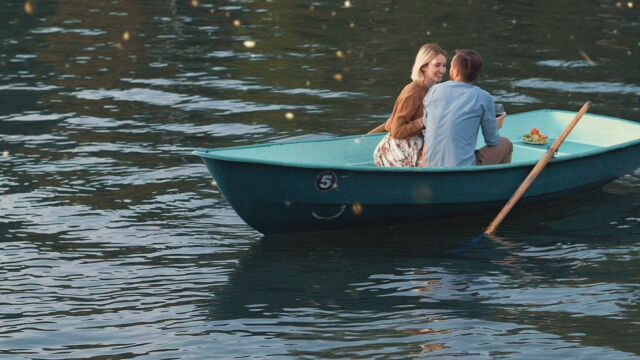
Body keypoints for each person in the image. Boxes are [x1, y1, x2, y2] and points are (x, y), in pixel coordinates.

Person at [421, 49, 512, 168]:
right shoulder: (483, 97)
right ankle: (498, 184)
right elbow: (492, 141)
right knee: (506, 144)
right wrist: (495, 125)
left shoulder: (434, 90)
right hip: (461, 171)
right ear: (477, 75)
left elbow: (427, 126)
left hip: (430, 168)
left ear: (455, 71)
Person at [368, 43, 447, 167]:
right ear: (424, 66)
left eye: (444, 65)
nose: (442, 70)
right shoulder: (412, 93)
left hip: (416, 145)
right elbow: (396, 131)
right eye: (437, 65)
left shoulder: (434, 90)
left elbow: (390, 122)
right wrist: (424, 120)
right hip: (395, 151)